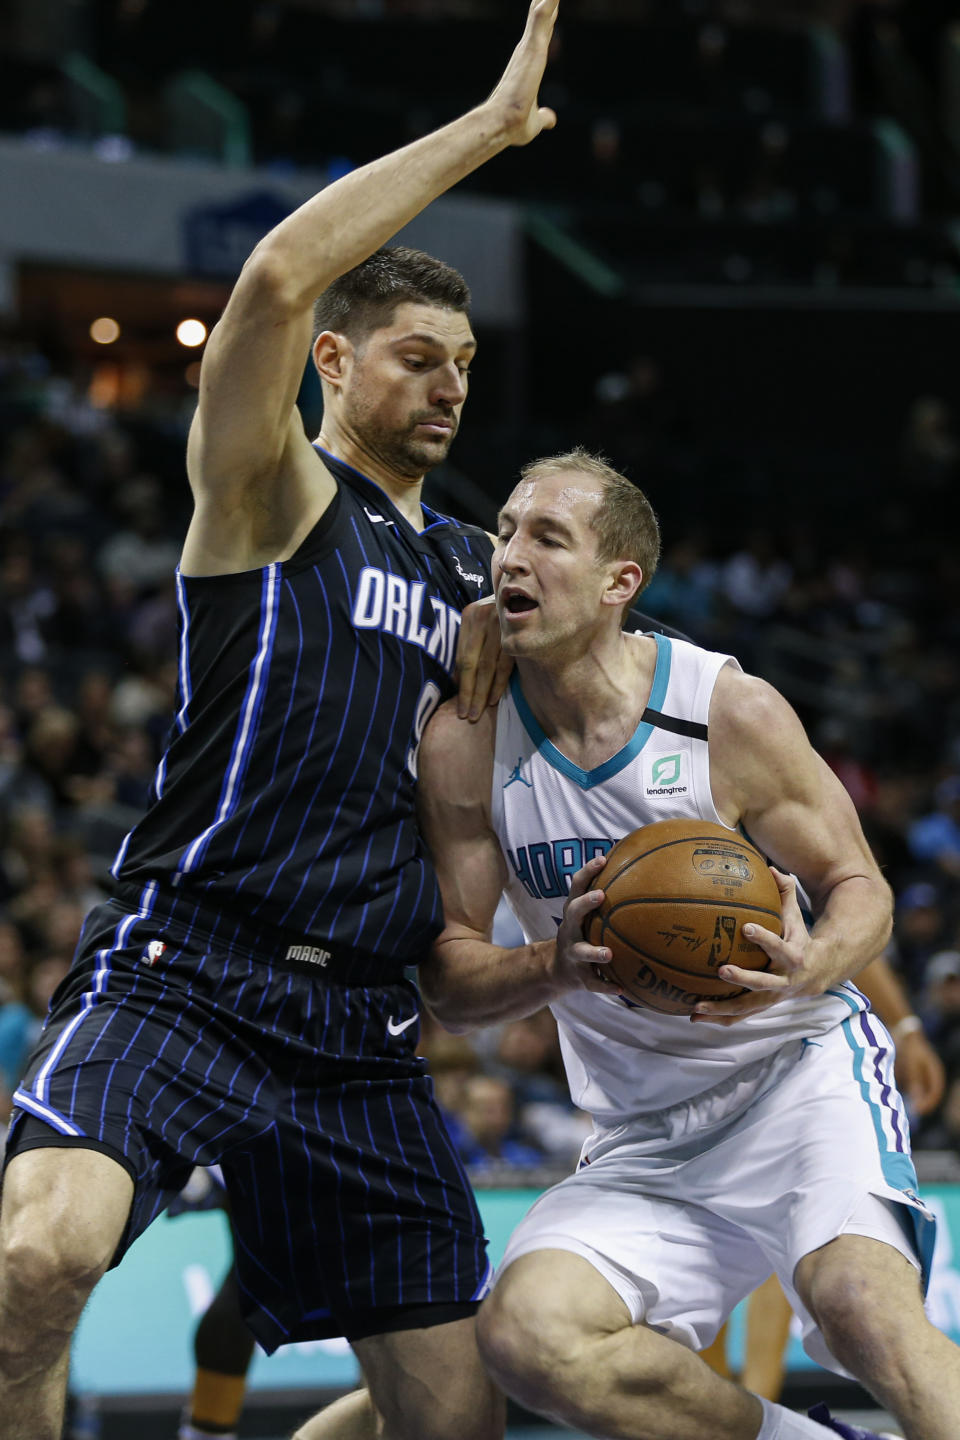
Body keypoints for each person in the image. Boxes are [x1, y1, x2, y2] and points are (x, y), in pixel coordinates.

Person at [0, 6, 560, 1439]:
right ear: (330, 361)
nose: (448, 384)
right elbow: (264, 277)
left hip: (361, 1023)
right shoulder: (277, 497)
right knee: (37, 1258)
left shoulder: (474, 580)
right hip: (193, 964)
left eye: (464, 367)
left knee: (453, 1414)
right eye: (417, 356)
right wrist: (489, 133)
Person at [416, 447, 960, 1440]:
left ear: (623, 581)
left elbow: (862, 889)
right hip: (643, 1133)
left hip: (797, 1080)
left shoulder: (726, 710)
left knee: (861, 1305)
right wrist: (551, 964)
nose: (509, 557)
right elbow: (451, 976)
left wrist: (814, 963)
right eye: (503, 532)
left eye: (548, 537)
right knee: (529, 1337)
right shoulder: (466, 734)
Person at [699, 953, 947, 1401]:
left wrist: (906, 1028)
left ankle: (758, 1401)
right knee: (703, 1241)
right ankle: (726, 1413)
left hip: (794, 1052)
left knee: (780, 1239)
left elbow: (847, 923)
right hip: (683, 1058)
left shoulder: (795, 885)